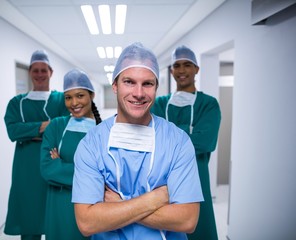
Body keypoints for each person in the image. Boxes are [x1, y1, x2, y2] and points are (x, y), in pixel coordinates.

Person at [71, 42, 204, 240]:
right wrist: (154, 199)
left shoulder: (177, 142)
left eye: (147, 83)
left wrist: (117, 205)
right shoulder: (92, 143)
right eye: (129, 82)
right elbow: (87, 222)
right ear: (115, 85)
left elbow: (187, 220)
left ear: (156, 87)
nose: (139, 93)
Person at [151, 45, 221, 240]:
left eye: (187, 65)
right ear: (171, 70)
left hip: (197, 176)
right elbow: (151, 139)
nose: (181, 70)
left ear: (196, 69)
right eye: (177, 65)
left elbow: (205, 142)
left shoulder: (208, 104)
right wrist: (186, 135)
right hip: (163, 178)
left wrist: (168, 136)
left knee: (198, 226)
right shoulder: (160, 103)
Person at [3, 50, 70, 240]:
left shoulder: (61, 99)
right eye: (35, 70)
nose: (40, 74)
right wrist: (45, 126)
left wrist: (30, 132)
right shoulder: (17, 103)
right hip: (26, 171)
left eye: (43, 70)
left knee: (55, 219)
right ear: (30, 72)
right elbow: (13, 131)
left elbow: (65, 128)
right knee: (28, 217)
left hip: (54, 165)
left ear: (51, 72)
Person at [40, 69, 102, 240]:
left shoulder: (104, 131)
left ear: (92, 96)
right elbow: (47, 169)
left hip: (94, 207)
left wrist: (61, 166)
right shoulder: (56, 127)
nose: (74, 102)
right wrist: (90, 174)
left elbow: (106, 174)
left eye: (80, 95)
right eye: (68, 97)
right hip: (59, 207)